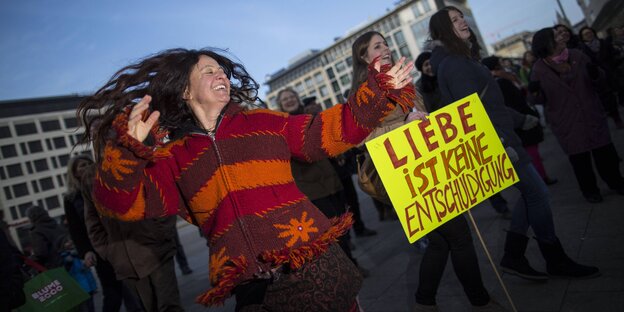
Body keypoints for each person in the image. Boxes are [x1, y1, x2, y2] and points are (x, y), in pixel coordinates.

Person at [77, 47, 415, 311]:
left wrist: (379, 92)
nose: (220, 74)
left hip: (312, 266)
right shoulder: (172, 159)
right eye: (208, 71)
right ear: (184, 90)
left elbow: (326, 131)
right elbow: (117, 205)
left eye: (221, 69)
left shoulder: (263, 121)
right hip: (250, 287)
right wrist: (129, 150)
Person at [429, 6, 599, 288]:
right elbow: (472, 114)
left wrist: (521, 119)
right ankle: (551, 257)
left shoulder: (461, 58)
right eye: (454, 20)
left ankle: (514, 255)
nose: (462, 22)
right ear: (443, 31)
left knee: (532, 195)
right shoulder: (455, 64)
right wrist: (505, 142)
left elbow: (490, 105)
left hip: (504, 136)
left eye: (461, 17)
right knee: (539, 195)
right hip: (500, 144)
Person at [530, 27, 624, 203]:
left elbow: (599, 81)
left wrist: (597, 75)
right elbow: (538, 99)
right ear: (547, 43)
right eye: (556, 35)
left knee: (605, 153)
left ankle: (617, 182)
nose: (562, 35)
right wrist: (535, 92)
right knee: (580, 160)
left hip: (590, 112)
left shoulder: (578, 55)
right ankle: (590, 191)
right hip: (566, 120)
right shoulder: (539, 68)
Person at [83, 164, 181, 312]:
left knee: (169, 306)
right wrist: (109, 251)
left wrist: (161, 233)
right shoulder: (91, 179)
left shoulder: (131, 165)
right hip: (126, 262)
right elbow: (93, 223)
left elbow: (163, 198)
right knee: (151, 308)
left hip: (156, 251)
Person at [65, 154, 143, 312]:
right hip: (99, 249)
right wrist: (86, 251)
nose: (87, 168)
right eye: (82, 166)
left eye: (89, 164)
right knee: (112, 291)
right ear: (74, 174)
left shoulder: (106, 185)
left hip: (120, 243)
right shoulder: (71, 199)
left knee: (133, 286)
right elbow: (76, 230)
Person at [482, 55, 557, 185]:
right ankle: (541, 178)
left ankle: (539, 177)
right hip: (519, 119)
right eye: (499, 63)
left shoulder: (496, 81)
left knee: (530, 152)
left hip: (515, 119)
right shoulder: (502, 81)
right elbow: (515, 100)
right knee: (531, 152)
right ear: (495, 66)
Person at [60, 236, 97, 312]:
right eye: (66, 242)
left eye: (70, 240)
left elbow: (88, 271)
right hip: (79, 290)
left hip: (89, 288)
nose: (70, 242)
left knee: (91, 308)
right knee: (84, 309)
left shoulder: (79, 254)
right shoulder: (66, 258)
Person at [26, 205, 66, 269]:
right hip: (67, 261)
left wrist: (28, 261)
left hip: (54, 267)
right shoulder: (55, 224)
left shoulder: (36, 231)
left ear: (31, 217)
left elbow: (41, 253)